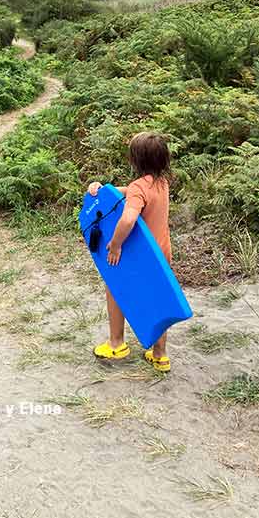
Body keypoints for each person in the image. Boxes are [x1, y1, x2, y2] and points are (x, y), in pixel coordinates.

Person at [87, 132, 172, 373]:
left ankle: (116, 344)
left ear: (135, 160)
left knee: (115, 287)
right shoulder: (162, 183)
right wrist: (105, 189)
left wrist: (115, 244)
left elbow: (128, 219)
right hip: (162, 252)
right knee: (157, 299)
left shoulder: (138, 188)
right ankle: (160, 356)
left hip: (140, 256)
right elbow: (133, 192)